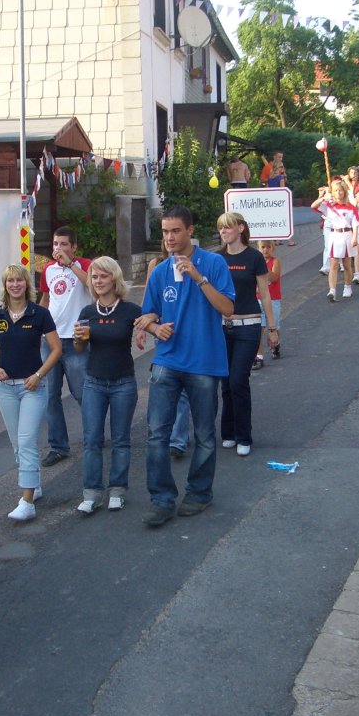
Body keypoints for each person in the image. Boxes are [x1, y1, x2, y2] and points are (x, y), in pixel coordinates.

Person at [134, 206, 235, 526]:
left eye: (175, 231)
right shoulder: (159, 271)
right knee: (156, 434)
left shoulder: (214, 263)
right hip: (167, 360)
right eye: (165, 232)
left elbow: (228, 309)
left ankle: (199, 493)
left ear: (190, 231)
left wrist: (198, 278)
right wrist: (155, 328)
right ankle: (161, 499)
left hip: (204, 362)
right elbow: (147, 314)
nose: (169, 238)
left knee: (204, 433)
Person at [0, 264, 61, 521]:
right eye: (10, 281)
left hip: (31, 387)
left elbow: (56, 350)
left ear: (27, 284)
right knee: (17, 444)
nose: (15, 285)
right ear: (5, 285)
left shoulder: (40, 314)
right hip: (5, 390)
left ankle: (27, 502)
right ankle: (34, 486)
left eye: (19, 280)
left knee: (26, 441)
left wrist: (39, 375)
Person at [72, 257, 140, 513]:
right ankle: (91, 493)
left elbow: (150, 325)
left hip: (124, 382)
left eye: (103, 276)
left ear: (114, 279)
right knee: (91, 440)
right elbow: (80, 349)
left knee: (121, 440)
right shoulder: (87, 313)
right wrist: (78, 339)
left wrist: (147, 330)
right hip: (94, 382)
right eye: (94, 277)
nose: (98, 281)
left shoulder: (130, 310)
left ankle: (117, 490)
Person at [217, 212, 278, 456]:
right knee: (225, 382)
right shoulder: (217, 258)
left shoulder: (254, 257)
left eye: (227, 227)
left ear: (240, 228)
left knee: (238, 380)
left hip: (249, 326)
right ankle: (228, 432)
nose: (223, 232)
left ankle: (244, 436)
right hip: (222, 327)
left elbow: (265, 294)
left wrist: (272, 328)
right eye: (220, 228)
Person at [38, 226, 92, 468]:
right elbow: (46, 298)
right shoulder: (48, 269)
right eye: (55, 244)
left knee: (82, 393)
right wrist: (37, 325)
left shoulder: (85, 265)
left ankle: (93, 436)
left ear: (74, 247)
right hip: (51, 340)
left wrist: (70, 265)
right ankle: (58, 446)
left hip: (76, 339)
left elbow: (92, 285)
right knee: (50, 396)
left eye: (63, 244)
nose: (57, 248)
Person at [143, 254, 191, 459]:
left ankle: (178, 439)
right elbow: (149, 300)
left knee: (183, 391)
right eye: (165, 237)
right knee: (164, 387)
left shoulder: (192, 264)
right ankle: (165, 435)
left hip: (187, 335)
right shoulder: (157, 266)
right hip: (164, 334)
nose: (170, 240)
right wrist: (146, 326)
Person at [312, 178, 357, 300]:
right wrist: (323, 198)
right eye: (336, 191)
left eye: (341, 190)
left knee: (347, 264)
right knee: (334, 264)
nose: (339, 193)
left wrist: (354, 237)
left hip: (347, 235)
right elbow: (313, 206)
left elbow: (355, 223)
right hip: (335, 236)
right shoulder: (329, 206)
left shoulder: (350, 207)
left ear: (345, 192)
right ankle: (332, 290)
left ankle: (347, 286)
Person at [256, 239, 283, 363]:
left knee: (274, 326)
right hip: (257, 299)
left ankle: (275, 345)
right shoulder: (255, 262)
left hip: (273, 299)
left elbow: (274, 277)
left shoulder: (275, 261)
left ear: (272, 248)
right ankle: (259, 355)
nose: (265, 250)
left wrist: (264, 268)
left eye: (268, 247)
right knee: (258, 328)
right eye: (263, 247)